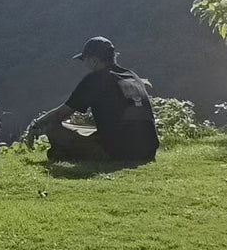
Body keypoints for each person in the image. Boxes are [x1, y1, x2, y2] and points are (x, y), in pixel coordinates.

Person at [24, 36, 159, 164]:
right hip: (147, 151)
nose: (85, 64)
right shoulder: (132, 76)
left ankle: (68, 154)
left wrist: (37, 125)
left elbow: (61, 114)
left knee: (52, 127)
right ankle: (65, 153)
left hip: (118, 153)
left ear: (94, 60)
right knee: (84, 129)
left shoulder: (95, 79)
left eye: (85, 60)